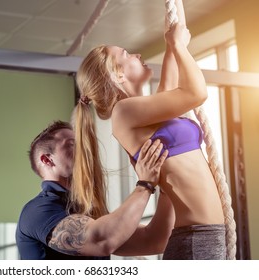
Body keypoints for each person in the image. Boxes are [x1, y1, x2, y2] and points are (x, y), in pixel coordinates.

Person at [72, 0, 226, 260]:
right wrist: (178, 45)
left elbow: (176, 29)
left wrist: (174, 28)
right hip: (196, 239)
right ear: (117, 76)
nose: (138, 55)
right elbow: (197, 93)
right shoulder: (123, 113)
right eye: (127, 54)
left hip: (203, 236)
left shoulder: (148, 112)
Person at [16, 120, 174, 260]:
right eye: (72, 144)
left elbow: (156, 240)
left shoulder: (87, 211)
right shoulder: (38, 212)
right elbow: (102, 240)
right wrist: (145, 184)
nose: (85, 152)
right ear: (47, 159)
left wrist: (166, 186)